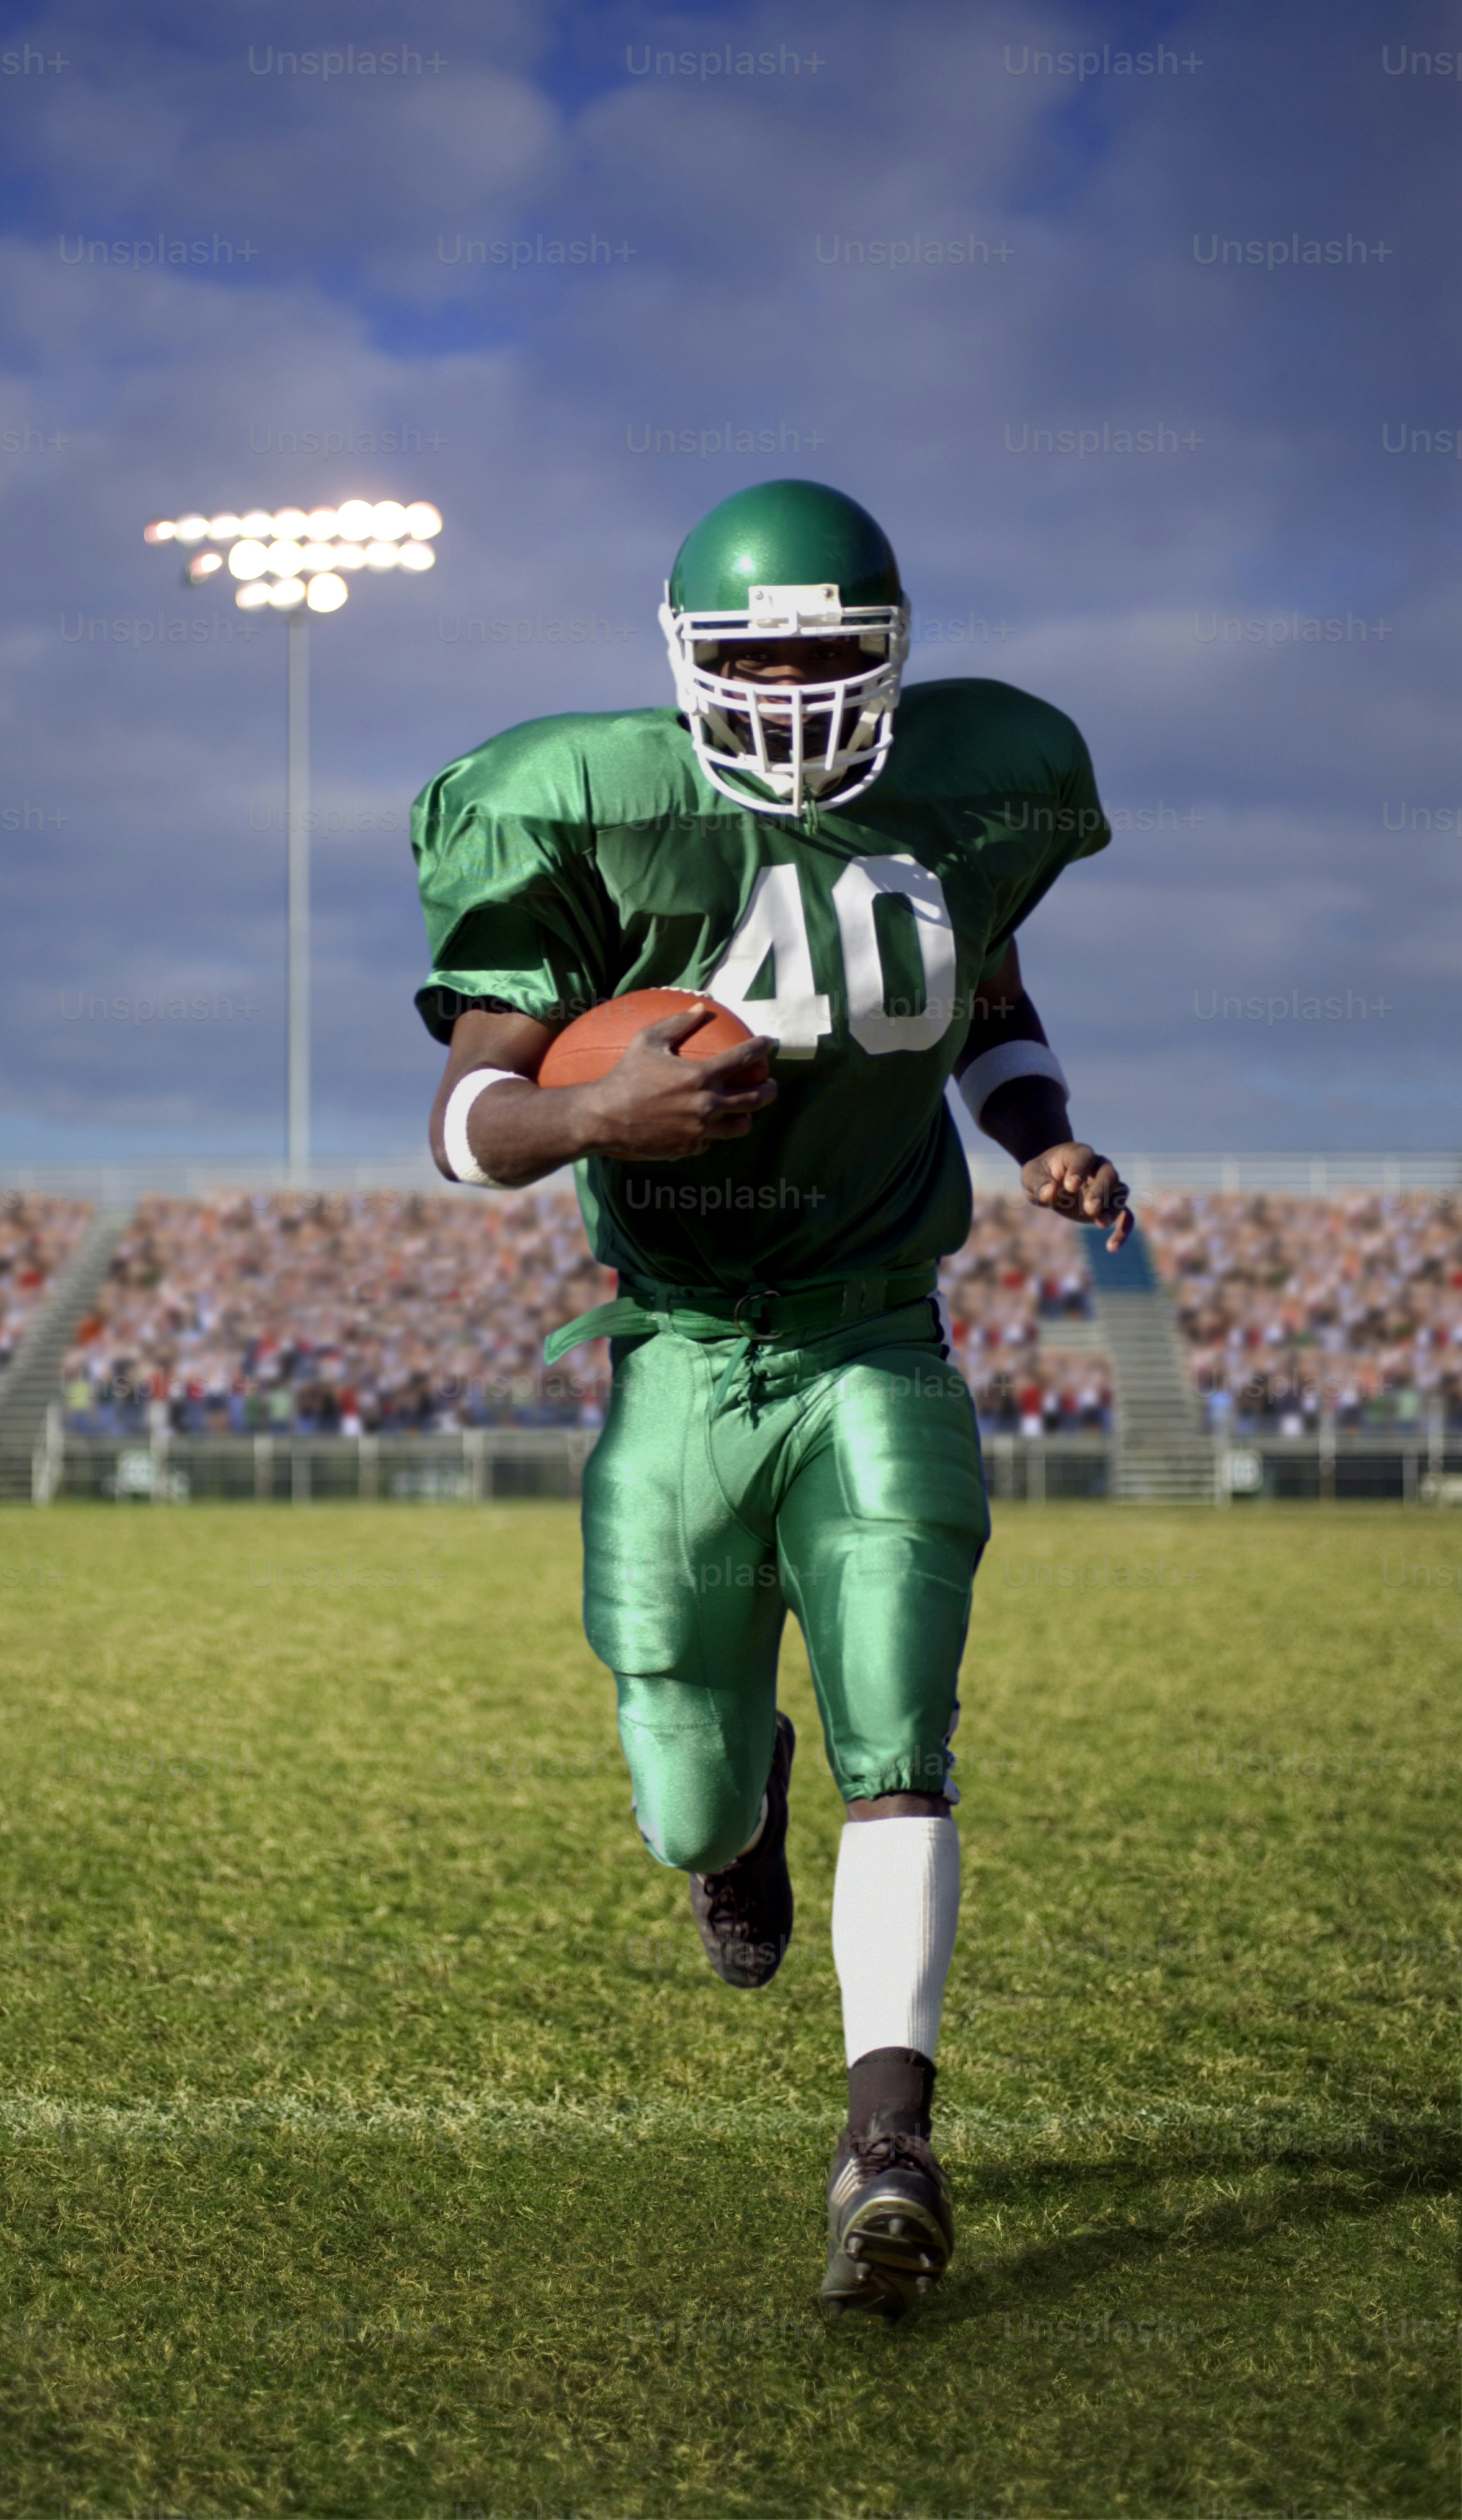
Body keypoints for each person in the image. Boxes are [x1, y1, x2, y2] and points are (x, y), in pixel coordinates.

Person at [411, 480, 1131, 2319]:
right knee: (682, 1786)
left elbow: (986, 1000)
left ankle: (884, 2143)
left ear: (892, 658)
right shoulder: (589, 808)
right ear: (686, 670)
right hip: (679, 1346)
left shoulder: (973, 786)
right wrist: (595, 1115)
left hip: (876, 1326)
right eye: (757, 658)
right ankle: (737, 1827)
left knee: (907, 1715)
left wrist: (1040, 1139)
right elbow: (464, 1116)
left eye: (831, 654)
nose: (797, 689)